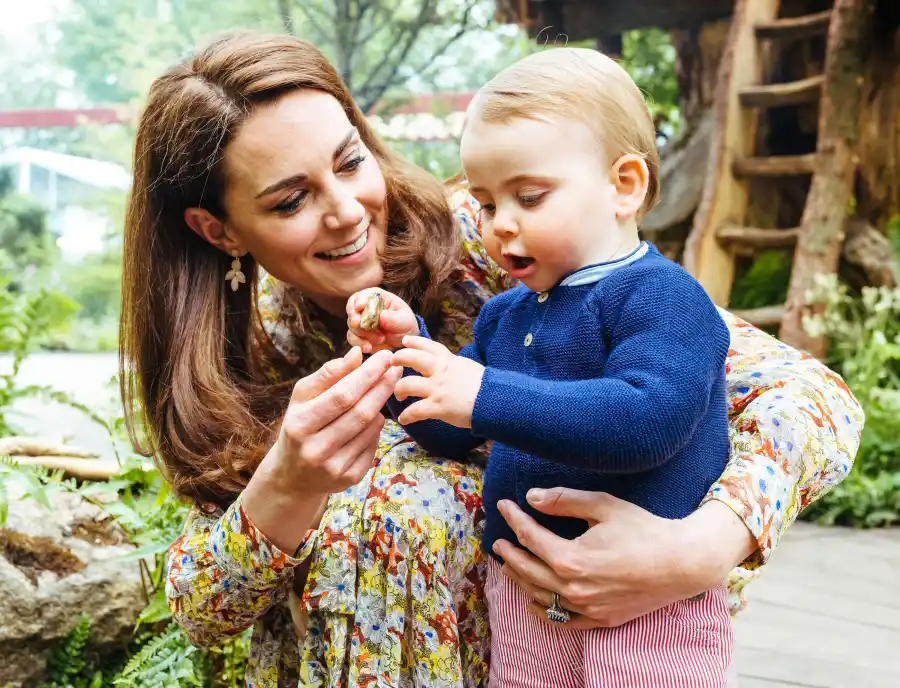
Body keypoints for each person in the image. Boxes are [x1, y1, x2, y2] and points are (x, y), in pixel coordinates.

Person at [119, 31, 863, 688]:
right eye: (290, 202)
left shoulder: (507, 239)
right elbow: (202, 609)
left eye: (350, 161)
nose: (346, 209)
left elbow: (811, 396)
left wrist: (702, 549)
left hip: (613, 647)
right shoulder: (242, 360)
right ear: (219, 231)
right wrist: (287, 485)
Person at [346, 48, 733, 686]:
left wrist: (484, 395)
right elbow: (448, 424)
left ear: (623, 185)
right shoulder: (506, 317)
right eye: (489, 204)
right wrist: (400, 355)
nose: (501, 226)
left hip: (648, 606)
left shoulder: (661, 296)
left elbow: (649, 419)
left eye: (529, 196)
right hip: (524, 592)